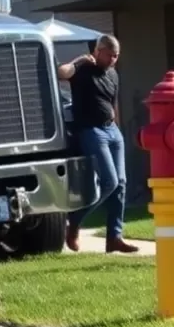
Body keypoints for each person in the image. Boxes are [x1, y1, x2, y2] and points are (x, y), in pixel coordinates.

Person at [56, 34, 139, 254]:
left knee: (121, 183)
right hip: (91, 131)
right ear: (98, 51)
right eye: (110, 55)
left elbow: (114, 103)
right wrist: (80, 60)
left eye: (116, 56)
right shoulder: (83, 69)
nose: (113, 60)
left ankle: (115, 238)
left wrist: (118, 128)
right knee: (109, 182)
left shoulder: (113, 74)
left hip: (112, 130)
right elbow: (60, 73)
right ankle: (73, 223)